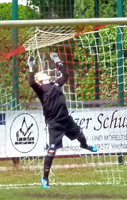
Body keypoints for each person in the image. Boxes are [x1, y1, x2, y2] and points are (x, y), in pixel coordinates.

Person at [28, 53, 97, 189]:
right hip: (54, 124)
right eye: (41, 73)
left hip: (66, 120)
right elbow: (31, 83)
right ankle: (45, 178)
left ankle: (85, 146)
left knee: (81, 136)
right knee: (52, 150)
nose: (45, 73)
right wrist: (31, 68)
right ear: (39, 79)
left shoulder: (56, 84)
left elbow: (65, 75)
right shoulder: (41, 89)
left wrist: (58, 61)